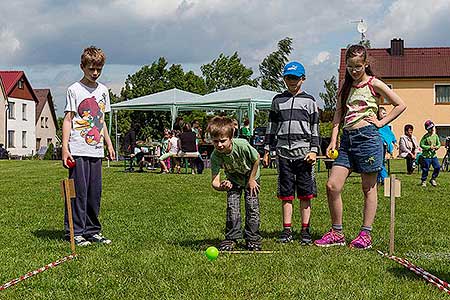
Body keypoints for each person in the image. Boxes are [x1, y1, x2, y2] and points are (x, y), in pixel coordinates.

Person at [314, 44, 406, 250]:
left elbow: (400, 104)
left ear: (365, 64)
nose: (354, 71)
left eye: (358, 66)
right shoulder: (345, 87)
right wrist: (333, 139)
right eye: (350, 67)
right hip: (346, 141)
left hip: (368, 139)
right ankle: (337, 232)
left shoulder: (374, 84)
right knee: (332, 185)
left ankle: (365, 235)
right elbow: (338, 113)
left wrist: (382, 123)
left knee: (368, 188)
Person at [62, 46, 115, 246]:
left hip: (96, 150)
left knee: (94, 192)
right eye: (91, 69)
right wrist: (65, 148)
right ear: (82, 67)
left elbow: (101, 121)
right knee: (79, 192)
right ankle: (75, 232)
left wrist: (108, 144)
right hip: (77, 149)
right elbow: (68, 119)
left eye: (98, 69)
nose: (95, 73)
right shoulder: (73, 90)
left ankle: (93, 230)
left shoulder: (103, 91)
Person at [263, 61, 319, 245]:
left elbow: (315, 128)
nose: (292, 81)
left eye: (295, 78)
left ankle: (305, 230)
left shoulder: (310, 101)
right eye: (288, 78)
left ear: (303, 79)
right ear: (284, 79)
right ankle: (286, 230)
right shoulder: (277, 100)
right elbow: (271, 127)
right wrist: (267, 150)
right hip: (283, 154)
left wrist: (313, 150)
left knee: (305, 194)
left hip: (304, 155)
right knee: (286, 194)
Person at [208, 116, 262, 251]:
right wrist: (222, 186)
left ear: (231, 138)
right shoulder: (215, 156)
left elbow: (256, 159)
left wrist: (251, 180)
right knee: (232, 207)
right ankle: (231, 238)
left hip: (251, 177)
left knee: (252, 206)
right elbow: (215, 182)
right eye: (215, 141)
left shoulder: (242, 145)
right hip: (233, 179)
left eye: (223, 141)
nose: (219, 145)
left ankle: (252, 238)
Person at [377, 107, 397, 184]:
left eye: (386, 113)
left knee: (380, 162)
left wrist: (394, 142)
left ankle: (383, 179)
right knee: (379, 162)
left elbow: (390, 134)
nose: (385, 115)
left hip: (383, 145)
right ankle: (382, 179)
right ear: (378, 114)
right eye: (383, 113)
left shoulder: (385, 124)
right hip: (378, 145)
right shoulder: (377, 123)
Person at [419, 120, 441, 187]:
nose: (431, 129)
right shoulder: (425, 137)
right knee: (425, 169)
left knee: (437, 167)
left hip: (433, 156)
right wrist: (429, 147)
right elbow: (421, 145)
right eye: (430, 128)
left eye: (432, 128)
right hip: (426, 157)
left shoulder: (435, 136)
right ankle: (424, 180)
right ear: (427, 129)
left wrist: (437, 147)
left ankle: (433, 179)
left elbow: (439, 143)